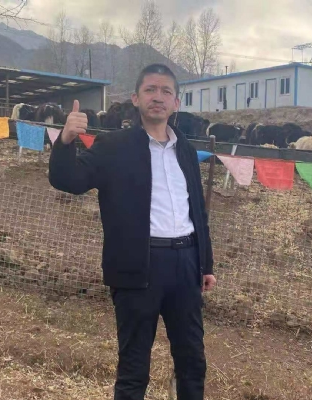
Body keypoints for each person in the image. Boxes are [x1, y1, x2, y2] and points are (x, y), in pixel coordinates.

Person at [48, 63, 216, 400]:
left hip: (186, 265)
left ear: (176, 102)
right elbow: (69, 180)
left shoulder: (185, 148)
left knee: (192, 361)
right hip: (138, 265)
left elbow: (196, 209)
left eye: (166, 91)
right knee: (134, 367)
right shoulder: (114, 146)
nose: (158, 97)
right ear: (136, 98)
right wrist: (65, 141)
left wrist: (205, 263)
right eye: (150, 90)